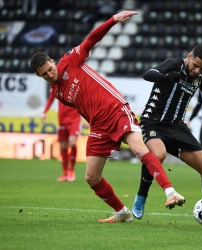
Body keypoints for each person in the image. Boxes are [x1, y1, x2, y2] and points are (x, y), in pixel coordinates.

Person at [30, 11, 185, 223]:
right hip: (98, 125)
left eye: (50, 69)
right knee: (91, 177)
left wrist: (112, 20)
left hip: (115, 109)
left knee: (139, 150)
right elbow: (82, 106)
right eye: (45, 74)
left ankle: (170, 192)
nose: (50, 74)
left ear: (52, 61)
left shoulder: (71, 60)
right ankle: (122, 213)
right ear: (38, 76)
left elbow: (91, 39)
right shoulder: (57, 93)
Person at [131, 45, 202, 228]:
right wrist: (167, 77)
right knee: (158, 154)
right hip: (154, 123)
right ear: (189, 56)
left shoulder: (197, 77)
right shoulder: (173, 64)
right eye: (195, 65)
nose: (197, 70)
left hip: (177, 128)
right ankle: (141, 197)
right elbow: (148, 75)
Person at [41, 91, 82, 182]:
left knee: (73, 142)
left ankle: (71, 170)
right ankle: (65, 172)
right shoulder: (56, 85)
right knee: (63, 145)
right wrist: (44, 112)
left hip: (74, 119)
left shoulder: (75, 84)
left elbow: (85, 101)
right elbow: (51, 98)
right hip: (62, 118)